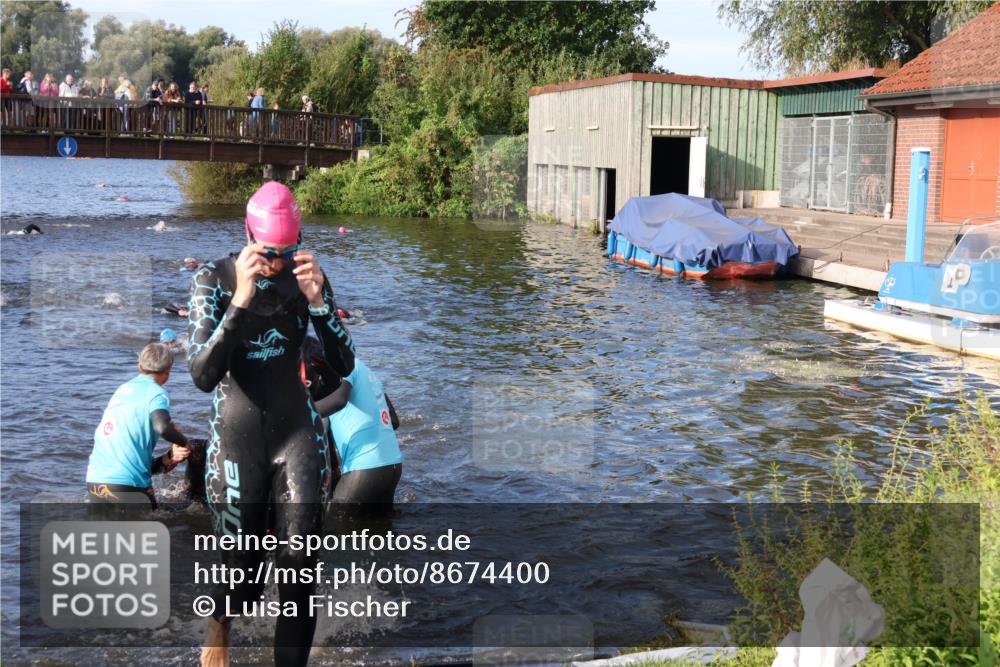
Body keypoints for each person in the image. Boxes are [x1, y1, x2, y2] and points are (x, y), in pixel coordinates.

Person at [187, 181, 355, 667]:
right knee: (240, 574)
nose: (278, 262)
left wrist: (320, 303)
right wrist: (240, 301)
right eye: (269, 252)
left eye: (288, 250)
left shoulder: (307, 276)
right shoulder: (213, 279)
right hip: (237, 439)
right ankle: (220, 623)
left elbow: (342, 364)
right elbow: (202, 374)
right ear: (248, 235)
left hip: (296, 432)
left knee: (300, 571)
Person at [86, 343, 192, 510]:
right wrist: (183, 442)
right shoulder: (157, 392)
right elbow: (162, 426)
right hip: (128, 487)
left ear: (139, 366)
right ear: (168, 371)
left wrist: (169, 457)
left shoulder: (122, 390)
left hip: (96, 482)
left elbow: (133, 461)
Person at [301, 337, 402, 505]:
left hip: (363, 468)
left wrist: (294, 415)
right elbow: (393, 421)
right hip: (393, 466)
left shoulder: (342, 365)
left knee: (333, 527)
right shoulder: (367, 371)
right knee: (382, 530)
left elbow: (339, 400)